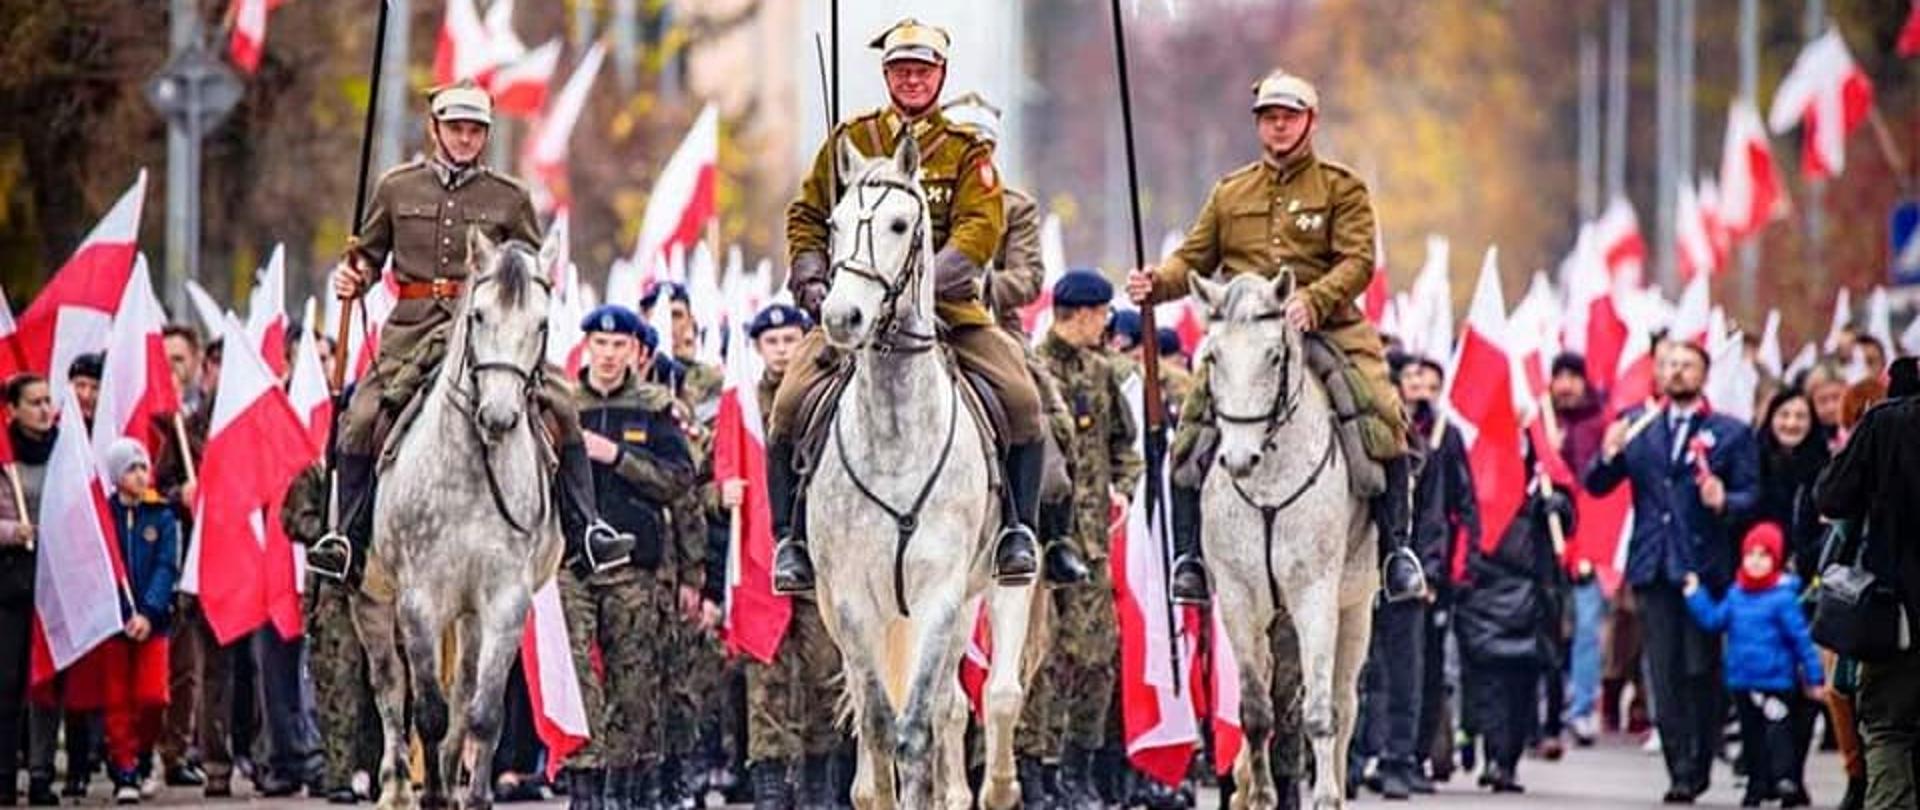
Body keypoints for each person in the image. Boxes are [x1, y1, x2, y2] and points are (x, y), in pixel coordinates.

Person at [1123, 69, 1423, 606]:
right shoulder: (1230, 191)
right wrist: (1156, 282)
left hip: (1326, 327)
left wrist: (1314, 299)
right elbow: (1193, 259)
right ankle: (1189, 559)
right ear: (1259, 124)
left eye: (1288, 116)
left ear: (1310, 120)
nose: (1278, 126)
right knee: (1191, 430)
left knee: (1382, 413)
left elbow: (1358, 260)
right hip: (1246, 335)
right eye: (1269, 117)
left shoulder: (1342, 187)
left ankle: (1396, 552)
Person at [317, 79, 632, 582]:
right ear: (435, 128)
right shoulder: (397, 187)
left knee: (563, 407)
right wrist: (353, 275)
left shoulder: (509, 197)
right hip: (413, 331)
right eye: (456, 129)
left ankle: (585, 532)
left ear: (486, 135)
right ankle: (348, 540)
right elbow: (370, 257)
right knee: (359, 416)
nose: (465, 139)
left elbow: (532, 268)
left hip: (488, 333)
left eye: (475, 131)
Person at [771, 17, 1044, 592]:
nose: (912, 80)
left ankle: (1017, 531)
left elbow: (979, 227)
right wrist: (812, 276)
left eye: (922, 70)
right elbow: (807, 214)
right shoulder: (852, 140)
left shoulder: (966, 151)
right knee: (790, 404)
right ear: (886, 75)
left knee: (1022, 399)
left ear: (941, 74)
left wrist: (925, 286)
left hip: (944, 309)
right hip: (857, 307)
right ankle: (790, 539)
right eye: (901, 70)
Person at [1586, 340, 1760, 803]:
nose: (1676, 372)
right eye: (1668, 365)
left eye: (1686, 365)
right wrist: (1607, 453)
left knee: (1699, 669)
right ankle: (1680, 770)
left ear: (1703, 374)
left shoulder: (1730, 432)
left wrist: (1727, 502)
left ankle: (1702, 756)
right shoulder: (1638, 425)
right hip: (1653, 566)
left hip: (1702, 568)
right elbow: (1597, 484)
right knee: (1662, 671)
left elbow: (1751, 496)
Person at [561, 305, 697, 808]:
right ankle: (585, 785)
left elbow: (678, 480)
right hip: (572, 563)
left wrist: (617, 457)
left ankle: (623, 785)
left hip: (632, 566)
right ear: (587, 346)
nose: (609, 354)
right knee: (575, 675)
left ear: (634, 350)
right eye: (601, 343)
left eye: (619, 345)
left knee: (632, 682)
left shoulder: (653, 408)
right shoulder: (561, 403)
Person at [722, 303, 849, 808]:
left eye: (790, 339)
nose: (781, 350)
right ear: (757, 347)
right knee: (766, 679)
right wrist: (721, 492)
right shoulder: (744, 404)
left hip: (822, 559)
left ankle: (819, 780)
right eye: (771, 341)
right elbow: (715, 469)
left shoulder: (827, 398)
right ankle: (771, 785)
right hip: (763, 562)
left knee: (825, 672)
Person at [1028, 271, 1142, 807]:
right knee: (1041, 659)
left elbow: (1125, 443)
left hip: (1092, 543)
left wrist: (1125, 485)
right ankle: (1037, 769)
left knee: (1097, 657)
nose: (1106, 324)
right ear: (1077, 313)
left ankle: (1078, 766)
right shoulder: (1031, 370)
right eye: (1101, 315)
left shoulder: (1101, 373)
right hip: (1037, 545)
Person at [1815, 357, 1920, 810]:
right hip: (1897, 615)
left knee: (1889, 732)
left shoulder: (1886, 422)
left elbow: (1833, 495)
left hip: (1898, 617)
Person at [1682, 524, 1824, 808]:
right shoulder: (1735, 594)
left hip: (1775, 681)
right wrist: (1695, 596)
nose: (1756, 561)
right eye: (1751, 554)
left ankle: (1785, 779)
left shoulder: (1783, 598)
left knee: (1778, 733)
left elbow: (1801, 640)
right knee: (1752, 737)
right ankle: (1756, 786)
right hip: (1742, 682)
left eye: (1764, 555)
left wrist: (1814, 676)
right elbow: (1714, 620)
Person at [1454, 468, 1572, 795]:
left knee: (1522, 684)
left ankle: (1508, 760)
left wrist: (1558, 506)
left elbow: (1567, 523)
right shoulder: (1481, 454)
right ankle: (1493, 756)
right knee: (1490, 682)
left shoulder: (1544, 464)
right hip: (1486, 586)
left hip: (1533, 594)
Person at [280, 464, 379, 805]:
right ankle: (339, 774)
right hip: (332, 591)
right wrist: (330, 534)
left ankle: (377, 770)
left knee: (379, 683)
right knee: (337, 682)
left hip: (376, 584)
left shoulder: (379, 469)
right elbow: (292, 519)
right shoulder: (318, 474)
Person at [91, 439, 180, 805]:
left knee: (152, 697)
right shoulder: (103, 517)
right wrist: (120, 614)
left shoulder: (161, 516)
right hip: (115, 625)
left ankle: (144, 751)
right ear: (116, 476)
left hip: (153, 624)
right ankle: (124, 768)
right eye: (132, 469)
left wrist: (149, 611)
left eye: (144, 467)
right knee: (117, 700)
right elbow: (97, 566)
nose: (141, 475)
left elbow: (165, 567)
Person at [1549, 352, 1611, 745]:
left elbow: (1602, 490)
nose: (1567, 384)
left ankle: (1582, 708)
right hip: (1548, 541)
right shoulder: (1540, 423)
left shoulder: (1599, 424)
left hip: (1588, 544)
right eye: (1561, 376)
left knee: (1587, 628)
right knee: (1549, 629)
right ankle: (1548, 708)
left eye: (1575, 376)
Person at [0, 375, 53, 806]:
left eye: (47, 400)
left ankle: (41, 773)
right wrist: (10, 532)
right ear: (12, 410)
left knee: (48, 682)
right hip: (10, 580)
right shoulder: (4, 457)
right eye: (34, 402)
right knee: (7, 679)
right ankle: (3, 775)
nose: (44, 409)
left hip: (54, 578)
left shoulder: (65, 451)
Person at [640, 281, 723, 413]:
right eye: (659, 314)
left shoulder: (709, 379)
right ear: (643, 319)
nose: (667, 322)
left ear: (689, 321)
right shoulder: (628, 370)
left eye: (676, 315)